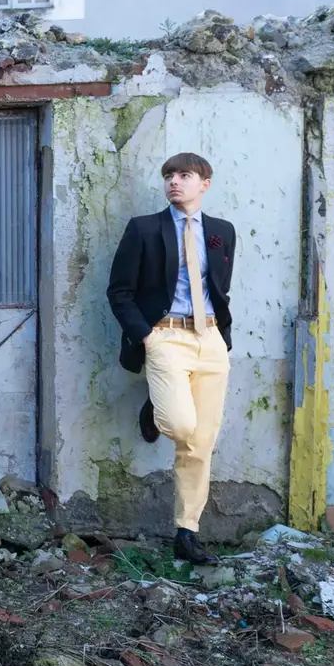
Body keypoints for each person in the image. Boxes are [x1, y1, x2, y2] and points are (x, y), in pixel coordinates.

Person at [107, 153, 236, 566]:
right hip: (163, 336)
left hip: (210, 337)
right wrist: (146, 336)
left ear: (205, 184)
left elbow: (219, 286)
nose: (174, 183)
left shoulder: (221, 232)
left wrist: (221, 335)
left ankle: (187, 532)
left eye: (184, 176)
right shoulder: (144, 228)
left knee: (201, 442)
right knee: (180, 425)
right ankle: (159, 406)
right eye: (168, 176)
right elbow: (119, 291)